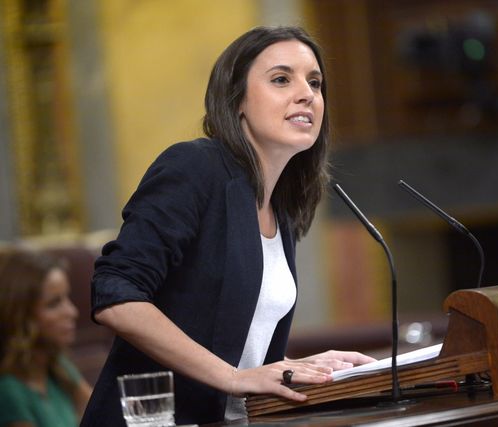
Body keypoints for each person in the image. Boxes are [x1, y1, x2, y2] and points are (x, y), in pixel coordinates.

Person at [80, 25, 376, 425]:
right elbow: (115, 293)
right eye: (281, 79)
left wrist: (295, 366)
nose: (306, 93)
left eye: (315, 82)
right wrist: (233, 377)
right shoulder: (195, 167)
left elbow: (232, 347)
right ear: (236, 100)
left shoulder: (279, 206)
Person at [0, 248, 92, 427]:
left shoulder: (57, 366)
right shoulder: (9, 392)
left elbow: (105, 415)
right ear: (20, 315)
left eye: (67, 298)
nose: (72, 312)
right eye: (54, 303)